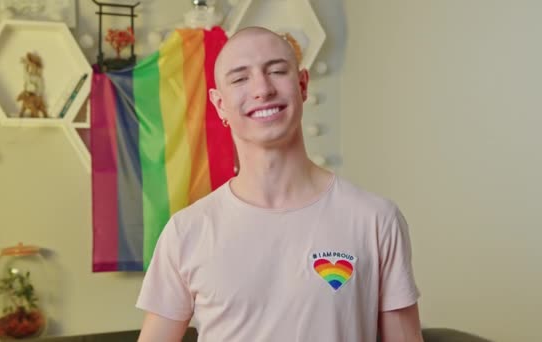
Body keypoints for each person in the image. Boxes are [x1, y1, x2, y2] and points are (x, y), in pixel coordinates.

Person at [136, 26, 424, 342]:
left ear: (302, 84)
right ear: (219, 105)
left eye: (276, 71)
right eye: (240, 78)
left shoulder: (376, 219)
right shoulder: (186, 232)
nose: (262, 89)